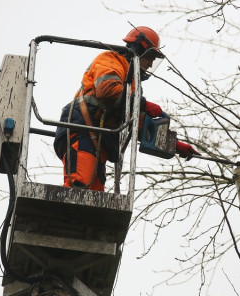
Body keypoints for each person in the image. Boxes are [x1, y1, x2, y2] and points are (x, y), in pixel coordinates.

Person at [53, 26, 200, 191]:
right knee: (78, 186)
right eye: (150, 57)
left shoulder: (132, 83)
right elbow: (107, 89)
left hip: (99, 143)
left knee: (94, 197)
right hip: (82, 132)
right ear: (138, 49)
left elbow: (136, 123)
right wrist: (143, 104)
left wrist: (173, 144)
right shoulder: (111, 59)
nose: (151, 64)